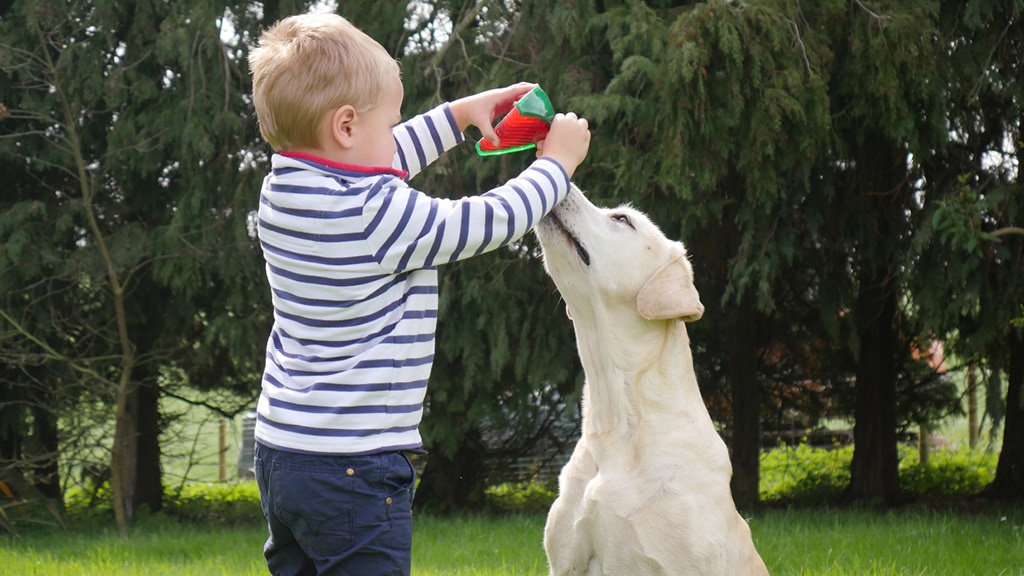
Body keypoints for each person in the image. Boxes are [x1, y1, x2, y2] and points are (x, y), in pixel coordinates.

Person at [246, 12, 590, 576]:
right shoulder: (374, 212)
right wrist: (556, 166)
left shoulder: (284, 187)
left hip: (284, 455)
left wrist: (460, 117)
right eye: (391, 122)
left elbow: (376, 158)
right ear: (346, 126)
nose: (396, 135)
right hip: (353, 466)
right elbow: (485, 220)